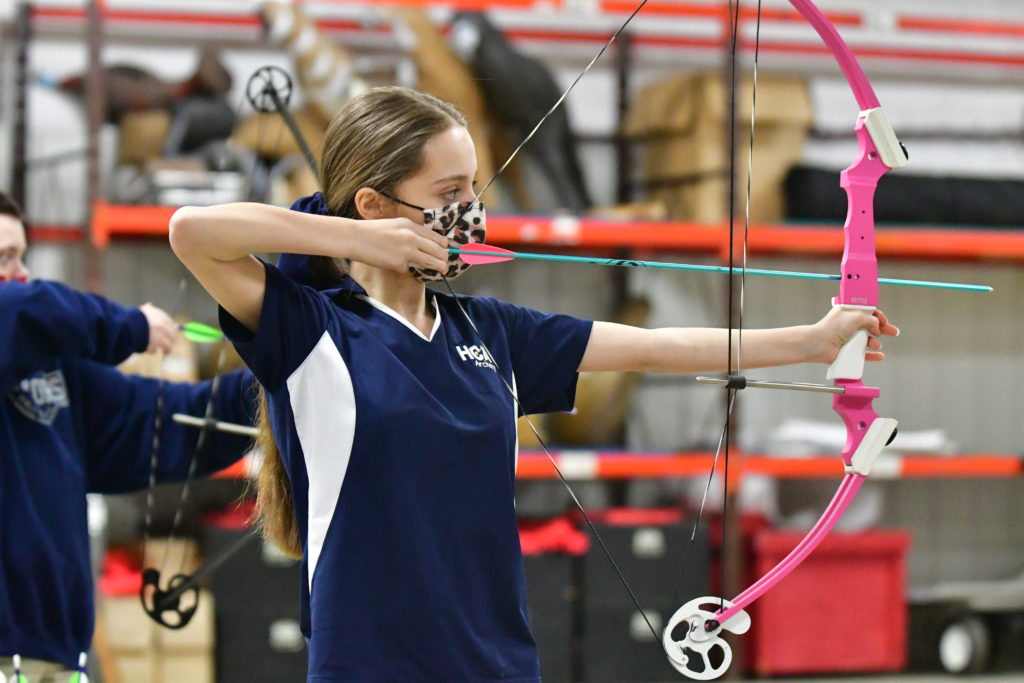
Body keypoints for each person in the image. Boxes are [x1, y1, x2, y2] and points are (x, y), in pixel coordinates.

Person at [168, 86, 899, 682]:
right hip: (369, 663)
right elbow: (193, 232)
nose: (470, 210)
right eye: (449, 191)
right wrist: (353, 241)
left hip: (499, 662)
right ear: (374, 204)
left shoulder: (489, 330)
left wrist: (813, 339)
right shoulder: (312, 332)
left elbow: (657, 345)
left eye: (473, 188)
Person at [0, 190, 257, 681]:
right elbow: (24, 309)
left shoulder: (57, 375)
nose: (20, 275)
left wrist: (280, 378)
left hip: (51, 660)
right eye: (4, 259)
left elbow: (166, 420)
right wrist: (128, 325)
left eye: (22, 259)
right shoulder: (21, 316)